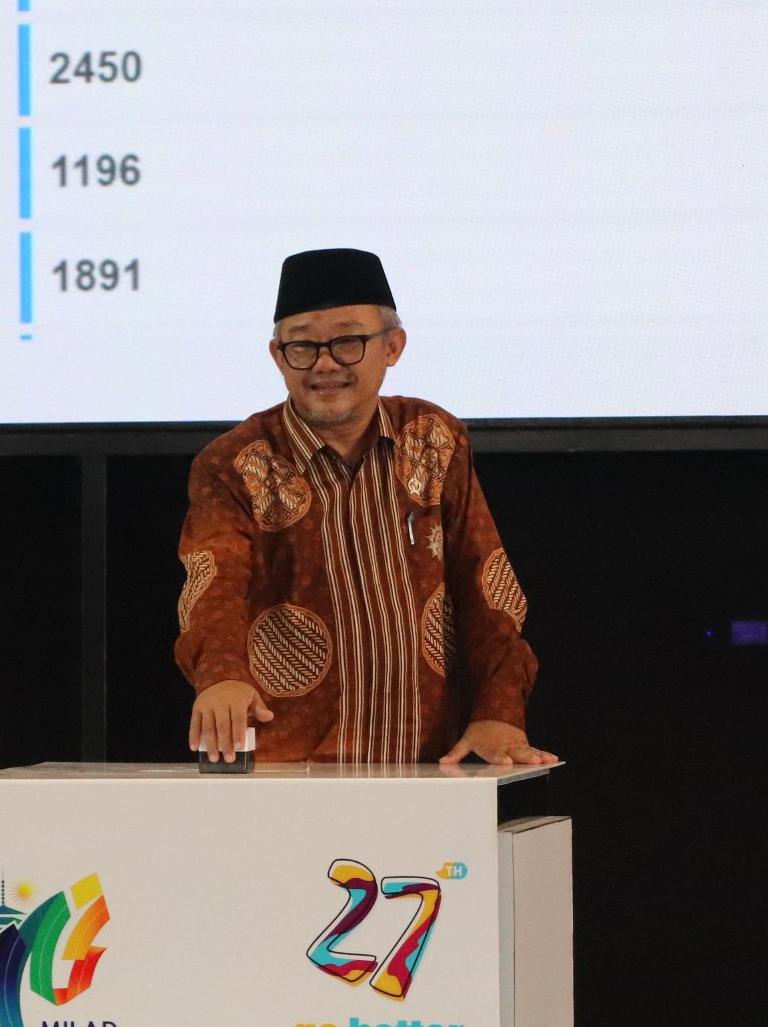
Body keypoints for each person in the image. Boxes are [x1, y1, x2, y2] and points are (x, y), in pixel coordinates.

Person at [174, 247, 556, 766]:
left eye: (348, 342)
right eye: (302, 345)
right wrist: (220, 677)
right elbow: (213, 585)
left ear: (392, 346)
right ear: (278, 356)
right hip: (288, 767)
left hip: (425, 760)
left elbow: (485, 582)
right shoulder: (236, 462)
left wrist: (499, 710)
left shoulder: (432, 437)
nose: (325, 363)